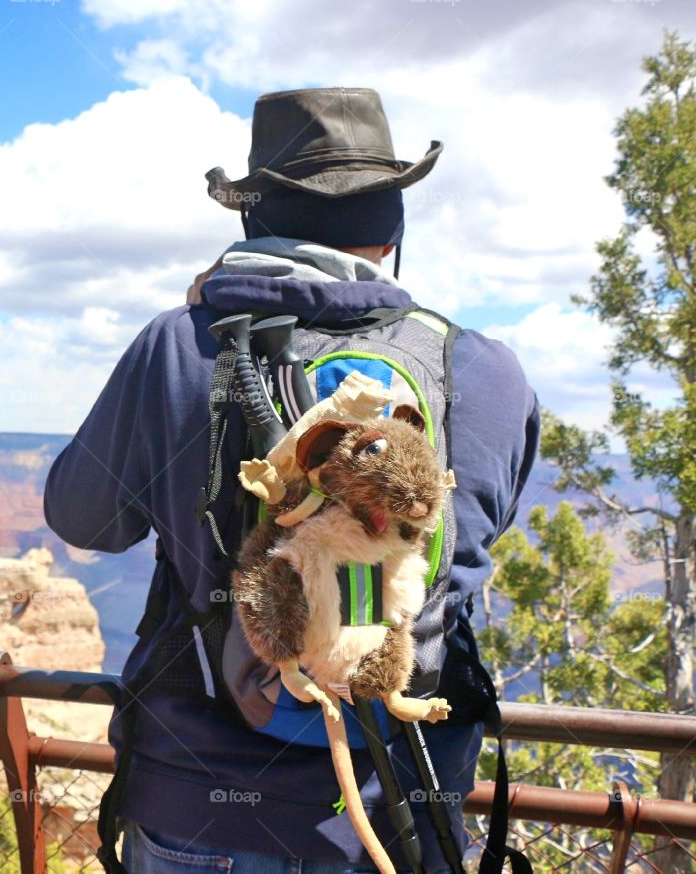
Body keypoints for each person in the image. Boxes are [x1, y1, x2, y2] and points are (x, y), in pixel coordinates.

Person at [44, 87, 540, 873]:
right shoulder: (483, 370)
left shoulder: (177, 347)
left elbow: (85, 520)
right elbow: (472, 539)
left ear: (252, 220)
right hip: (404, 821)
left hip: (201, 813)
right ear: (392, 226)